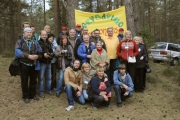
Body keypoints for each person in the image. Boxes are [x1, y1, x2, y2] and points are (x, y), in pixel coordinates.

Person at [15, 27, 42, 103]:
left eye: (30, 32)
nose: (29, 33)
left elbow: (40, 51)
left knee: (33, 80)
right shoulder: (20, 41)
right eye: (27, 32)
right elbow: (17, 52)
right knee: (24, 80)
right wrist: (28, 56)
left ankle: (32, 95)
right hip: (24, 64)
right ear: (24, 33)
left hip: (34, 64)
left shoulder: (36, 42)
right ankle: (25, 96)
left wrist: (38, 56)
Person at [38, 30, 53, 97]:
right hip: (42, 62)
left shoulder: (49, 43)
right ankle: (41, 91)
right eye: (43, 35)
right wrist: (43, 54)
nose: (44, 36)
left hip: (49, 62)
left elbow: (52, 51)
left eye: (45, 35)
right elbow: (37, 52)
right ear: (40, 35)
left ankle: (48, 90)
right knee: (41, 78)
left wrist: (50, 55)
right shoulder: (38, 43)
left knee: (49, 77)